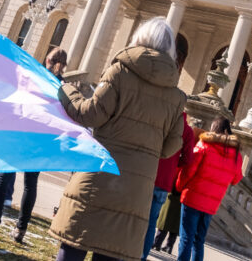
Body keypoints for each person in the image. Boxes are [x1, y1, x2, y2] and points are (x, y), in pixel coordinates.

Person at [51, 16, 187, 261]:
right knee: (112, 253)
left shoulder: (119, 71)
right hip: (135, 190)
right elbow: (171, 147)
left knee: (74, 246)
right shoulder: (177, 97)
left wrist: (67, 89)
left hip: (99, 174)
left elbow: (90, 113)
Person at [0, 48, 69, 243]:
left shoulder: (34, 75)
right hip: (42, 138)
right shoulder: (62, 86)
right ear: (64, 65)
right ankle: (20, 229)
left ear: (47, 58)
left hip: (21, 131)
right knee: (30, 184)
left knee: (3, 176)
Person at [143, 45, 195, 261]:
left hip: (145, 174)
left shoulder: (156, 116)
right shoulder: (187, 129)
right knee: (151, 224)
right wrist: (174, 166)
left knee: (136, 219)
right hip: (165, 181)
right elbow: (188, 159)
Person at [174, 117, 244, 261]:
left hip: (192, 197)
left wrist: (180, 185)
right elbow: (236, 179)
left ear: (213, 129)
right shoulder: (236, 155)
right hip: (211, 204)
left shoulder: (204, 144)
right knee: (199, 241)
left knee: (186, 238)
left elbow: (189, 169)